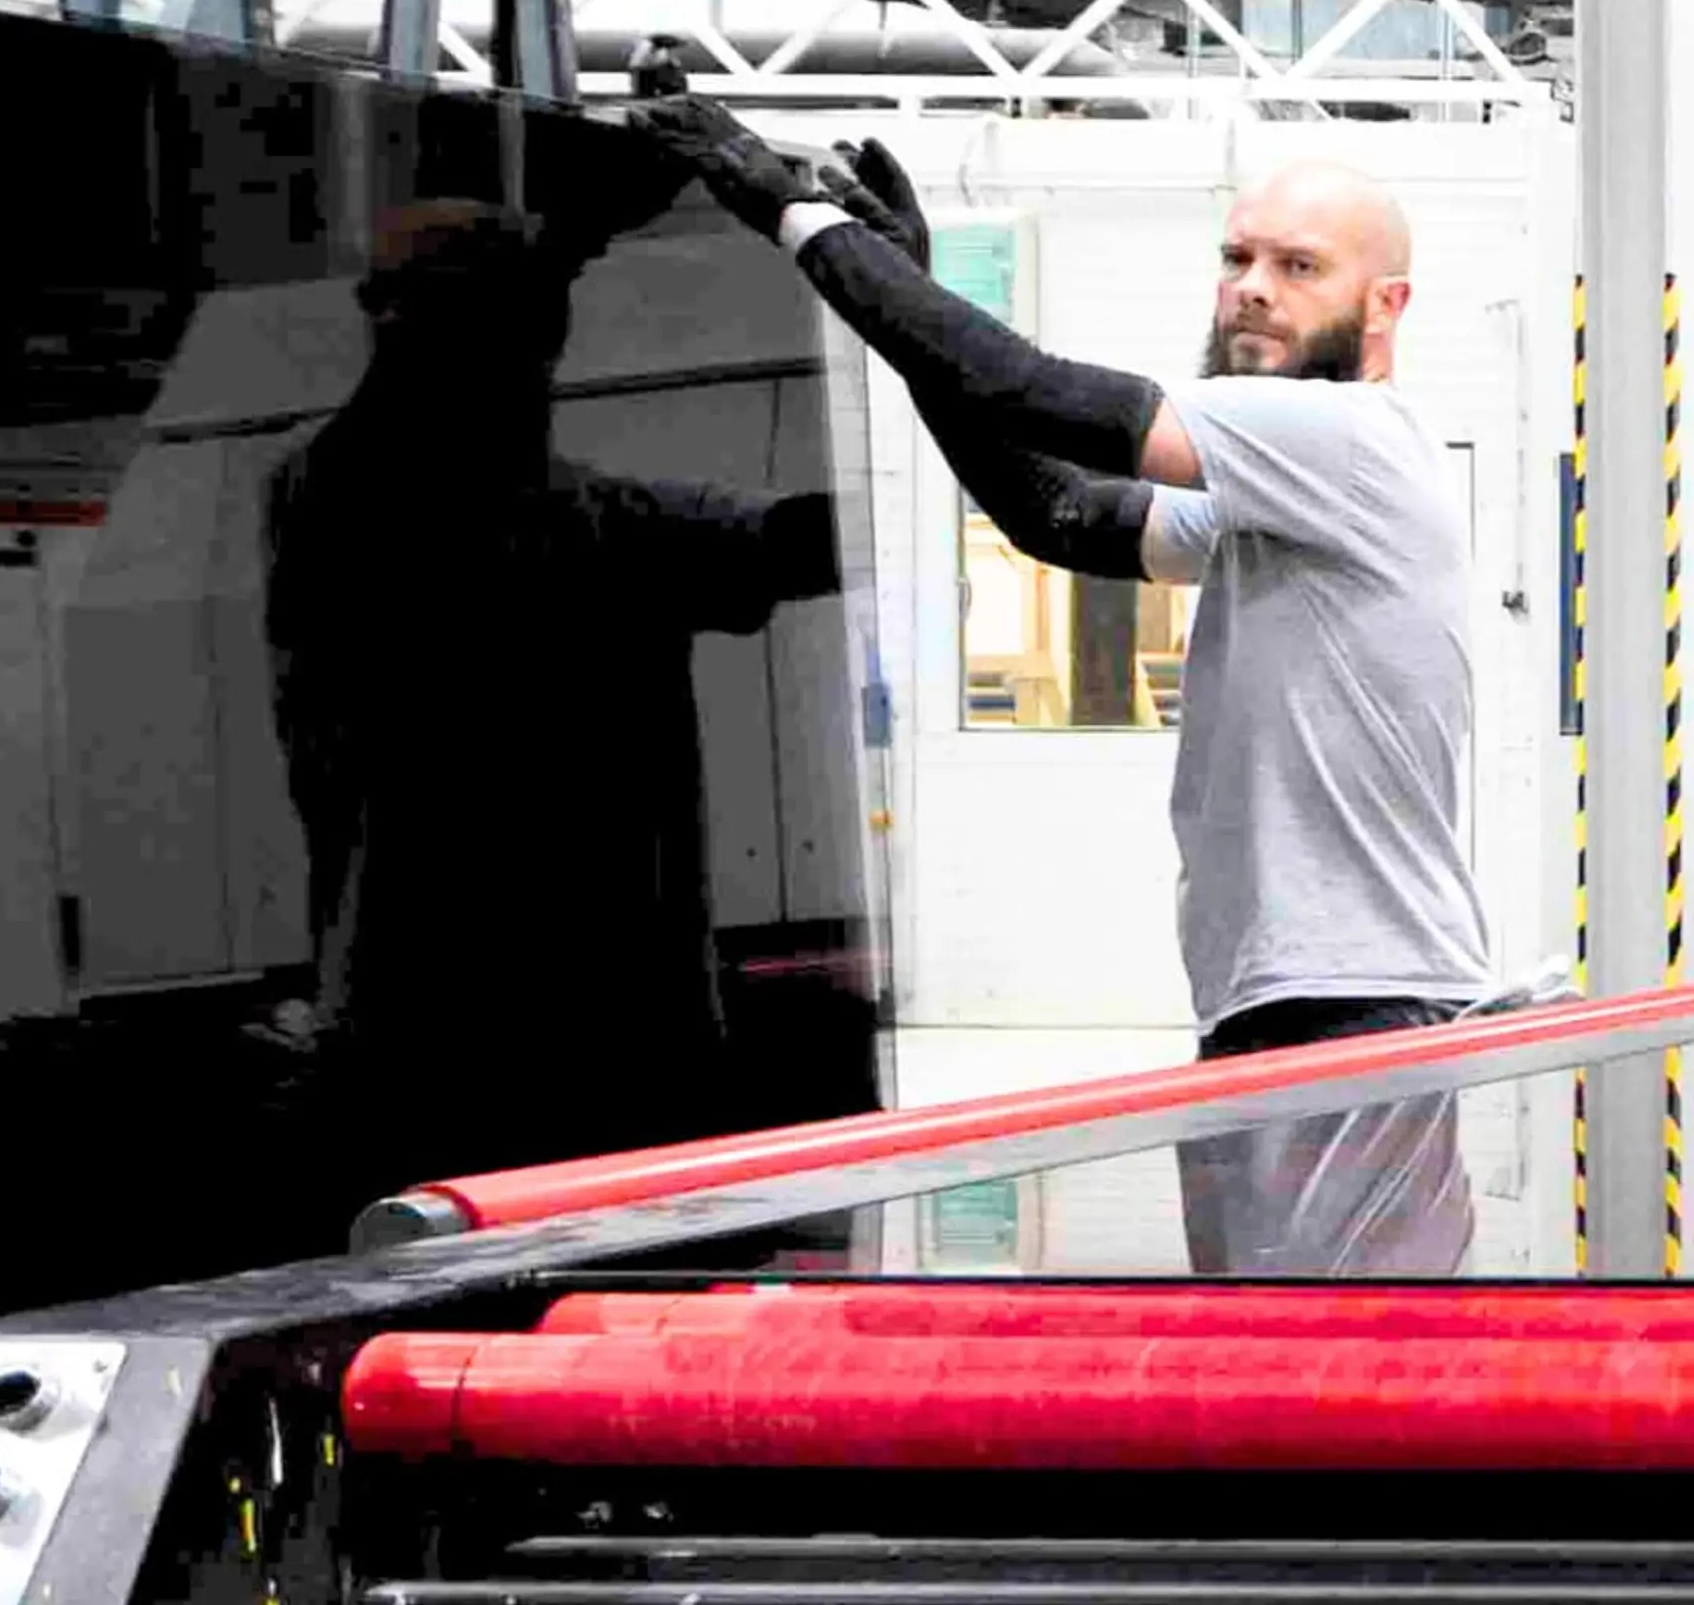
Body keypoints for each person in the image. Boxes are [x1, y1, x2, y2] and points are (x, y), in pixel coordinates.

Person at [629, 67, 1493, 1081]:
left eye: (1300, 267)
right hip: (1301, 996)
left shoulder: (1344, 436)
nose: (1254, 286)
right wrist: (909, 297)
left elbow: (1029, 391)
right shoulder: (1284, 493)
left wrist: (803, 222)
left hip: (1358, 1005)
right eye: (1238, 256)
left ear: (1384, 306)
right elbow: (1059, 513)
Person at [262, 197, 842, 1187]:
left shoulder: (605, 527)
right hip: (518, 1067)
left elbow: (813, 537)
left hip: (490, 1063)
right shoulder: (374, 505)